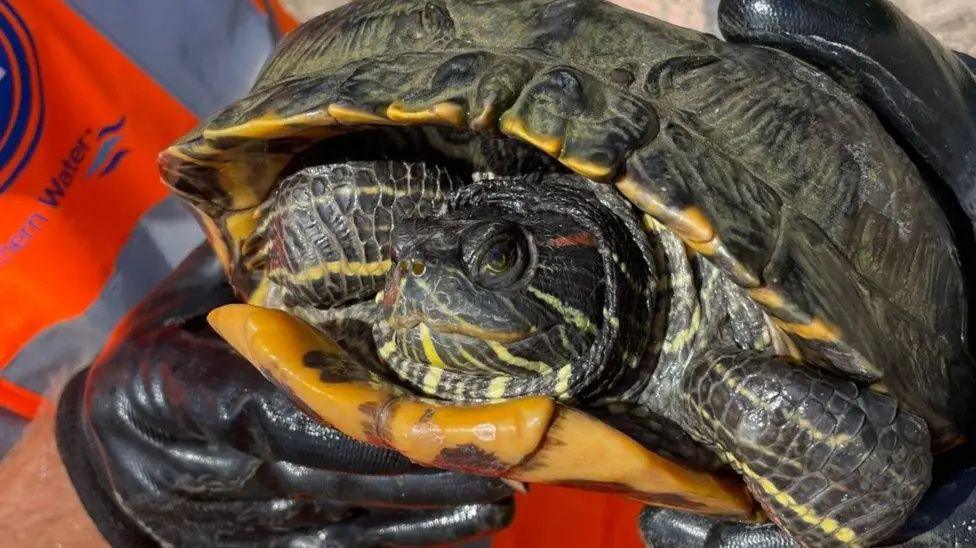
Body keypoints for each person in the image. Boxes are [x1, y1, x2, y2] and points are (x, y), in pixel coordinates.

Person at [0, 0, 972, 546]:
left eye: (498, 261)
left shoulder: (734, 368)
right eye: (396, 274)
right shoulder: (400, 254)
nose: (408, 283)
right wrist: (91, 481)